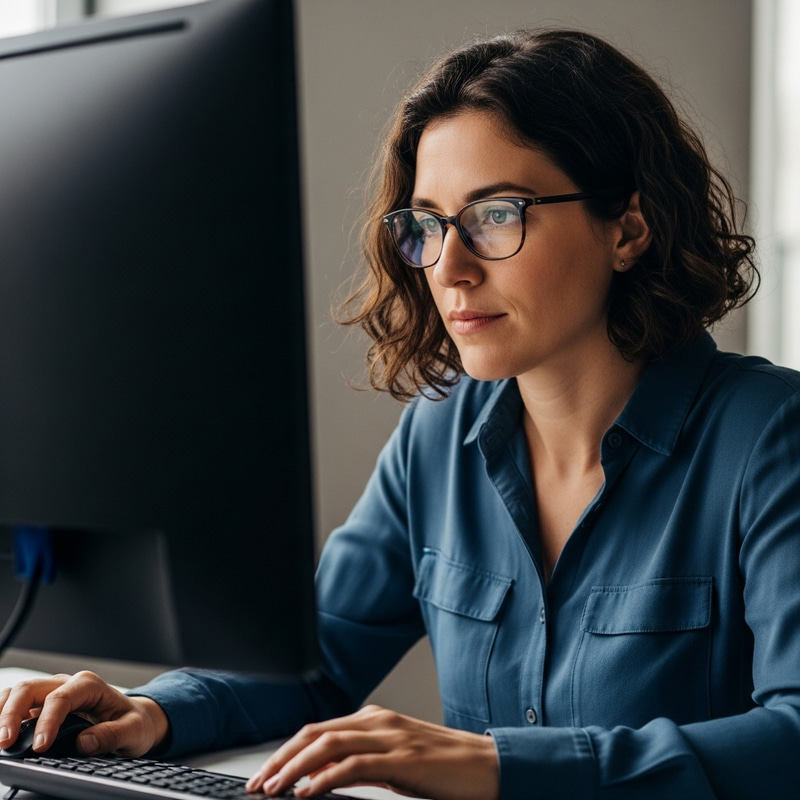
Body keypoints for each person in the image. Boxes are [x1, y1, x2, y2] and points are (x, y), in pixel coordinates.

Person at [2, 27, 800, 800]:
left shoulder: (770, 438)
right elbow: (315, 659)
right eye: (428, 225)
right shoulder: (441, 433)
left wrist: (499, 767)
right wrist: (153, 712)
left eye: (497, 214)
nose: (448, 268)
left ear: (627, 228)